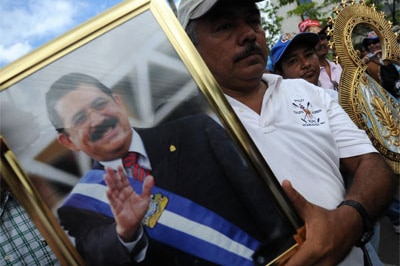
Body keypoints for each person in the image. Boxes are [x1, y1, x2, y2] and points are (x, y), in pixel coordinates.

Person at [177, 0, 397, 265]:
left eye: (253, 21)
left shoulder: (310, 94)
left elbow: (370, 164)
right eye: (225, 26)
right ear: (189, 46)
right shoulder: (189, 133)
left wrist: (347, 223)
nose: (248, 33)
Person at [45, 72, 294, 265]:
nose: (98, 119)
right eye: (80, 119)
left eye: (100, 104)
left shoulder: (197, 131)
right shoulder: (79, 207)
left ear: (118, 103)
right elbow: (99, 254)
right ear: (68, 141)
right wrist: (126, 233)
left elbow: (264, 206)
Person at [298, 19, 343, 92]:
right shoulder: (309, 75)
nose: (321, 43)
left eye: (322, 38)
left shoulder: (337, 67)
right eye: (316, 41)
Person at [361, 31, 400, 99]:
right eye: (369, 44)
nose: (372, 45)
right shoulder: (368, 62)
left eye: (375, 42)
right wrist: (361, 64)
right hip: (388, 99)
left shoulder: (395, 53)